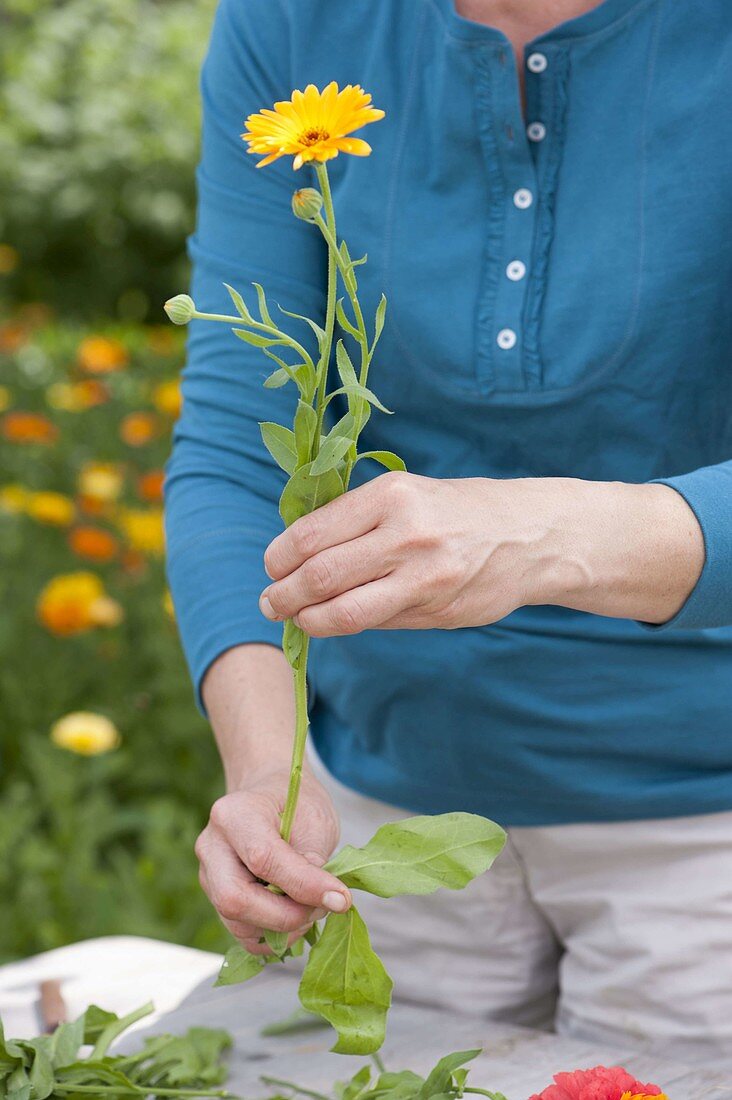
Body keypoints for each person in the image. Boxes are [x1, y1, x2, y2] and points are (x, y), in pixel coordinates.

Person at [165, 0, 732, 1050]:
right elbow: (240, 447)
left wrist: (541, 536)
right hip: (378, 802)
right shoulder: (291, 22)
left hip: (706, 829)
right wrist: (266, 773)